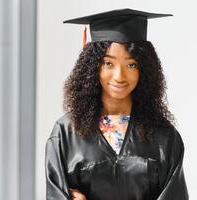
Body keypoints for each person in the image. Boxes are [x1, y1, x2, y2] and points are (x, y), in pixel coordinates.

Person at [45, 8, 189, 200]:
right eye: (108, 63)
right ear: (92, 67)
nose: (119, 76)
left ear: (144, 69)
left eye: (131, 65)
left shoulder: (164, 136)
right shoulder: (66, 133)